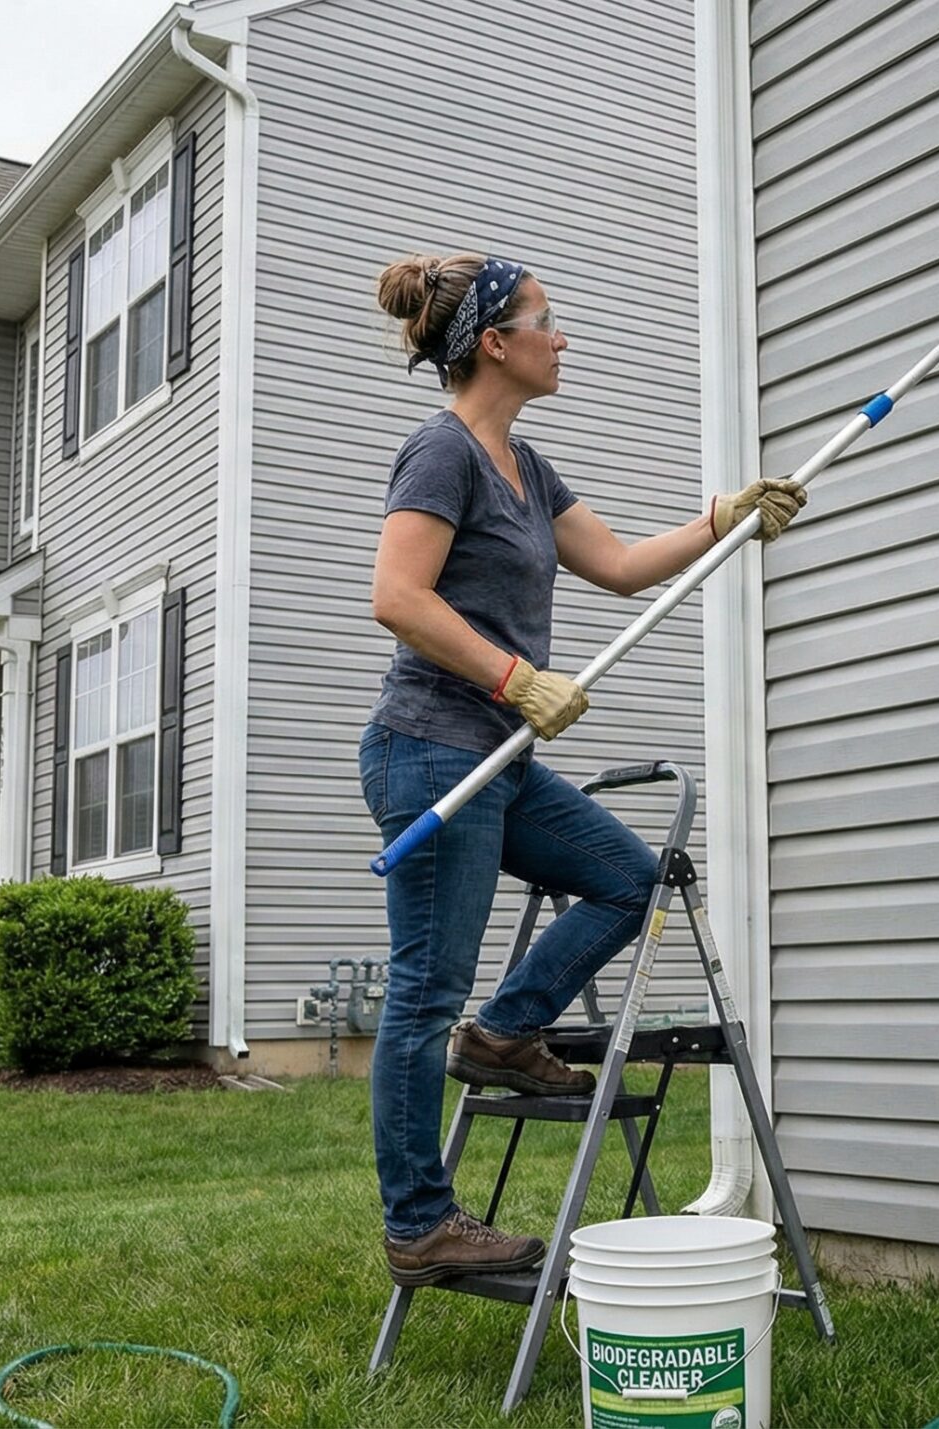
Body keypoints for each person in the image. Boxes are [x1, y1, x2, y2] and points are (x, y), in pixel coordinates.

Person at [363, 252, 807, 1287]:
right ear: (494, 344)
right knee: (424, 993)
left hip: (499, 757)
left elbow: (613, 565)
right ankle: (419, 1223)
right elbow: (396, 595)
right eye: (546, 320)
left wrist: (724, 518)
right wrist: (517, 676)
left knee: (629, 877)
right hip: (432, 750)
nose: (563, 337)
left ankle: (508, 1030)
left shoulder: (526, 465)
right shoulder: (441, 455)